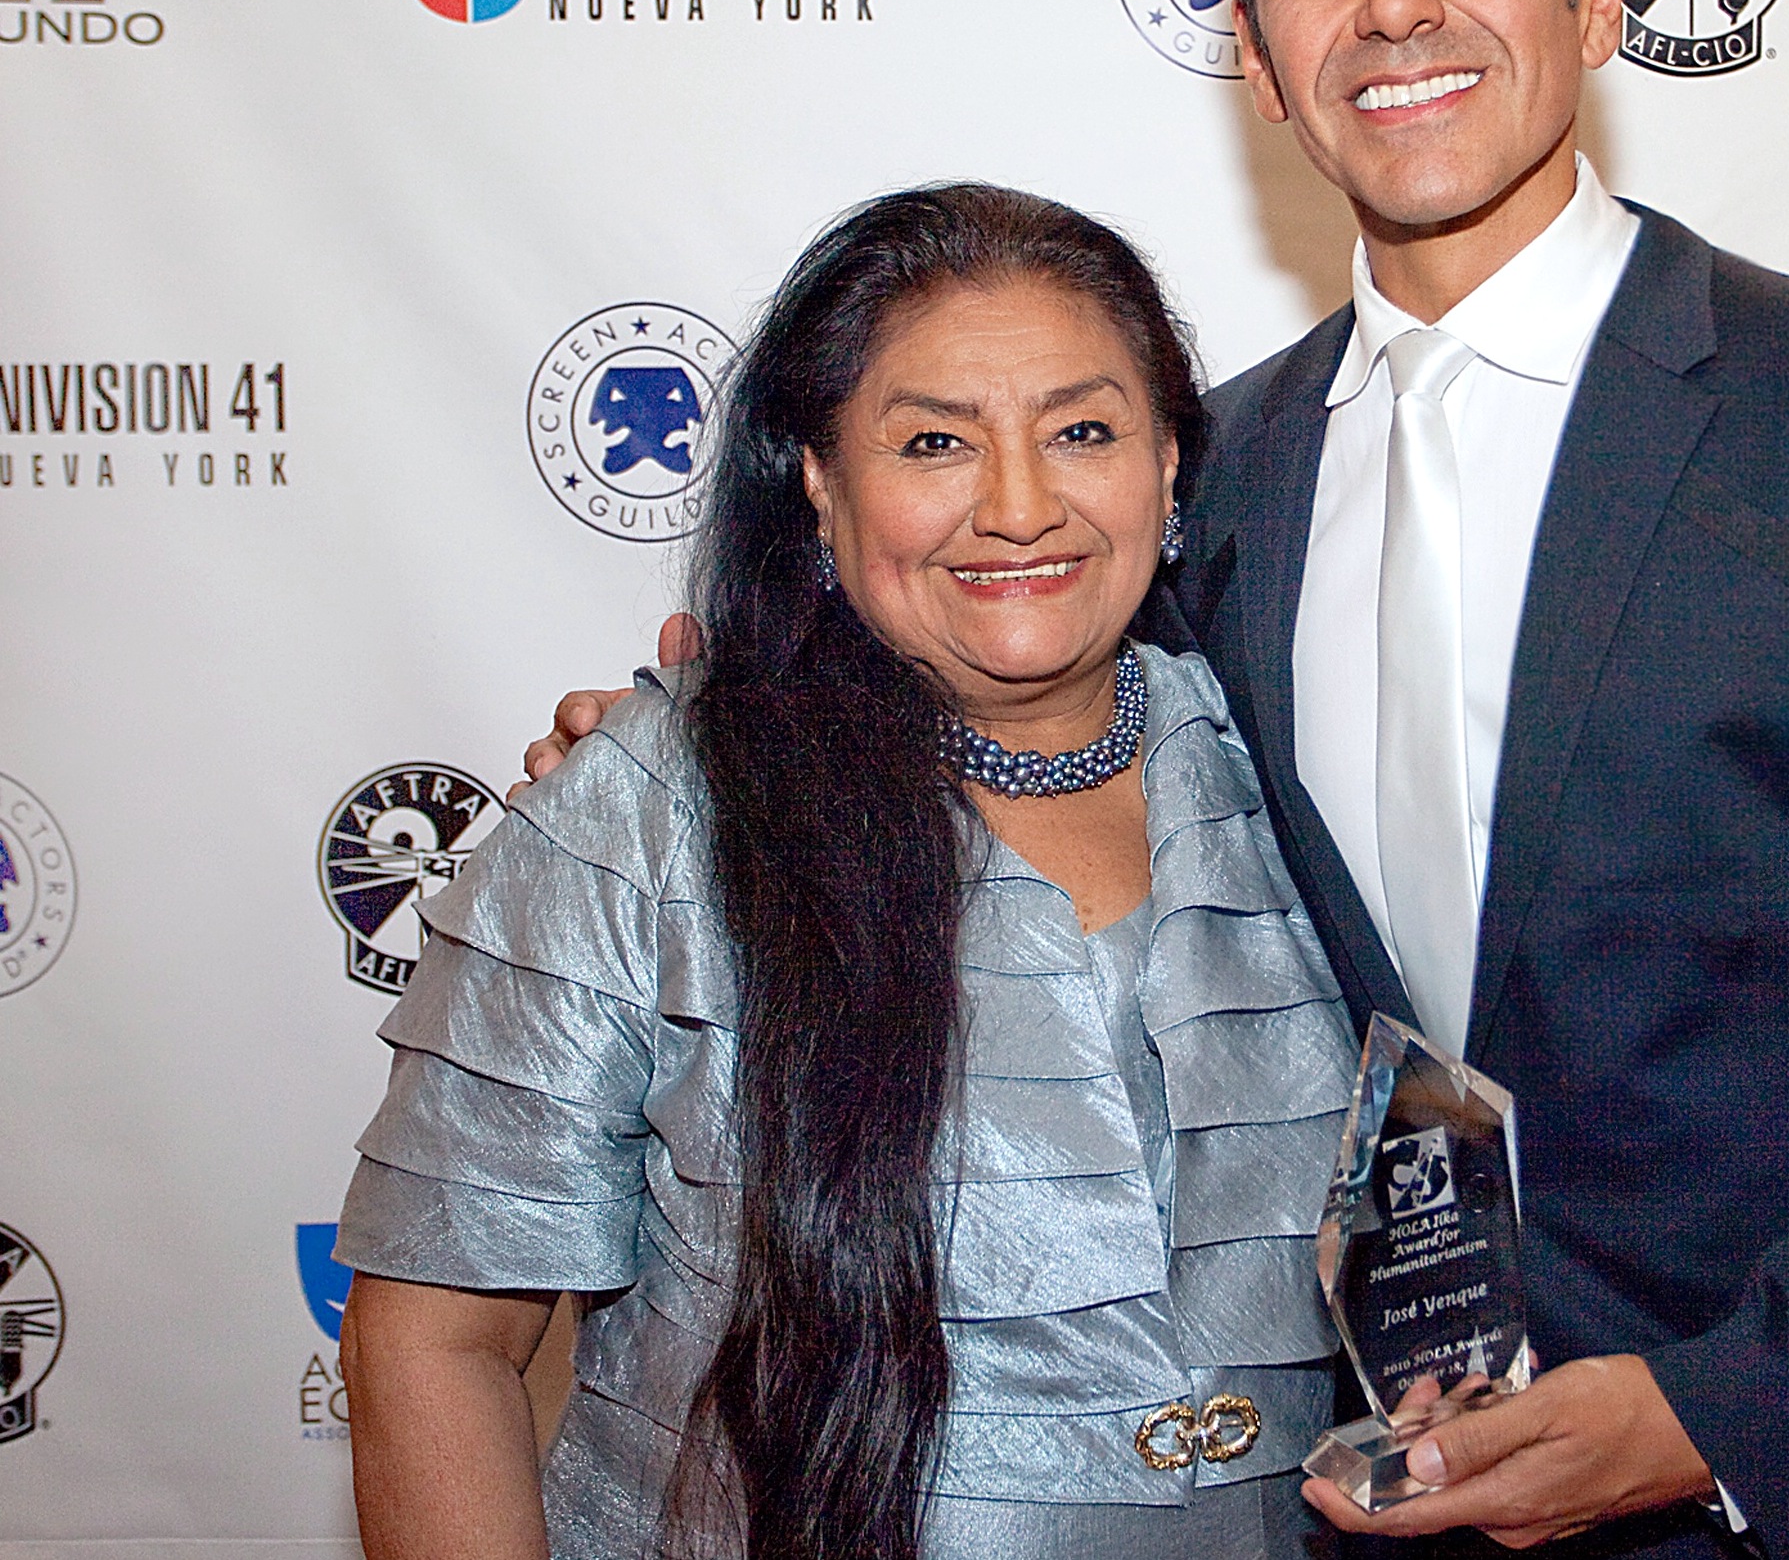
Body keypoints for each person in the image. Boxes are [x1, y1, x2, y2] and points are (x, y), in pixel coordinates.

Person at [530, 0, 1789, 1557]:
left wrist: (1717, 1405)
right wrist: (684, 757)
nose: (1393, 6)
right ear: (1253, 47)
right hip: (1377, 1509)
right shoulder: (1193, 483)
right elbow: (999, 727)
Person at [339, 184, 1360, 1560]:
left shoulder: (1293, 756)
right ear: (820, 483)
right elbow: (436, 1343)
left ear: (1172, 465)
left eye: (1082, 431)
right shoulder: (659, 804)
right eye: (935, 440)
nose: (1017, 505)